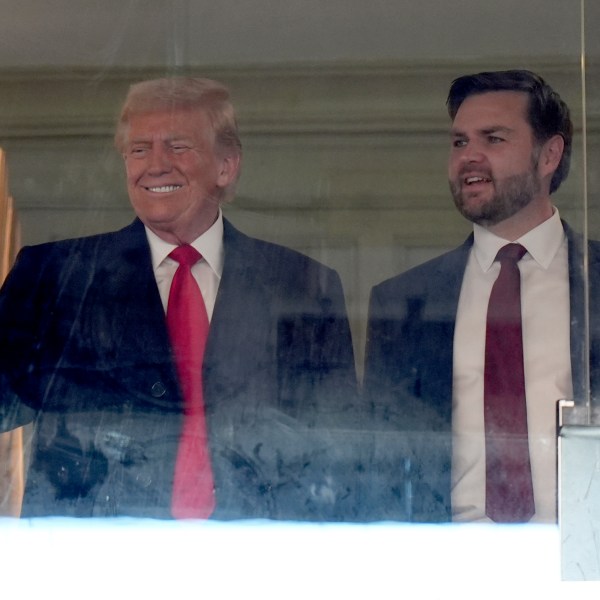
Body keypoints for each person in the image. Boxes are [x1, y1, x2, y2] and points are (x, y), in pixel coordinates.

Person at [0, 77, 357, 520]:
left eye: (178, 146)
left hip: (259, 557)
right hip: (93, 558)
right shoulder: (57, 275)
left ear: (226, 166)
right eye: (138, 149)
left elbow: (339, 448)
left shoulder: (301, 284)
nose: (155, 165)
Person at [364, 69, 600, 523]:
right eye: (458, 142)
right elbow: (382, 462)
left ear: (549, 154)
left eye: (493, 139)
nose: (469, 156)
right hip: (447, 567)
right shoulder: (402, 302)